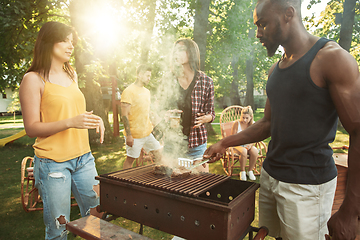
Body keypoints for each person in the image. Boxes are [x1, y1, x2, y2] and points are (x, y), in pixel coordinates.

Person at [203, 0, 360, 239]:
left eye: (263, 24)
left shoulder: (332, 59)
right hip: (271, 177)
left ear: (289, 14)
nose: (258, 33)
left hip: (307, 187)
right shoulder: (275, 70)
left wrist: (351, 211)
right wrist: (225, 143)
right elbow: (267, 123)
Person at [19, 21, 105, 240]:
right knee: (59, 229)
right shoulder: (32, 79)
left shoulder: (71, 73)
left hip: (83, 158)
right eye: (64, 40)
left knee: (98, 216)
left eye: (72, 41)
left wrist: (94, 119)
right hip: (53, 163)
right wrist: (70, 122)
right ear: (48, 42)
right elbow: (31, 127)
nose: (70, 46)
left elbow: (73, 111)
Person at [170, 38, 215, 172]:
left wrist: (206, 118)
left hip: (197, 144)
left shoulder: (206, 81)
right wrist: (165, 114)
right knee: (172, 185)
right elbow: (160, 108)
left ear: (192, 52)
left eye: (181, 50)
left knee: (201, 184)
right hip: (173, 145)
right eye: (175, 51)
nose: (176, 54)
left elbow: (211, 113)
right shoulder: (169, 79)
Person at [120, 64, 162, 169]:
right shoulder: (129, 91)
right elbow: (124, 115)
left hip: (147, 133)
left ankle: (157, 176)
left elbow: (145, 111)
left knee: (159, 155)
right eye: (147, 76)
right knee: (130, 160)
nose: (149, 78)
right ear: (139, 75)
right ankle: (125, 181)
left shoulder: (147, 92)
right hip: (134, 135)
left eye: (150, 76)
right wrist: (129, 135)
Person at [231, 106, 258, 181]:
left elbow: (255, 138)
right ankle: (242, 171)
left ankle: (250, 171)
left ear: (251, 117)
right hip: (237, 145)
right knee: (244, 151)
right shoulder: (237, 123)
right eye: (243, 117)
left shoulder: (253, 125)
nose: (244, 120)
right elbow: (232, 138)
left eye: (247, 118)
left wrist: (250, 145)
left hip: (248, 144)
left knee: (255, 151)